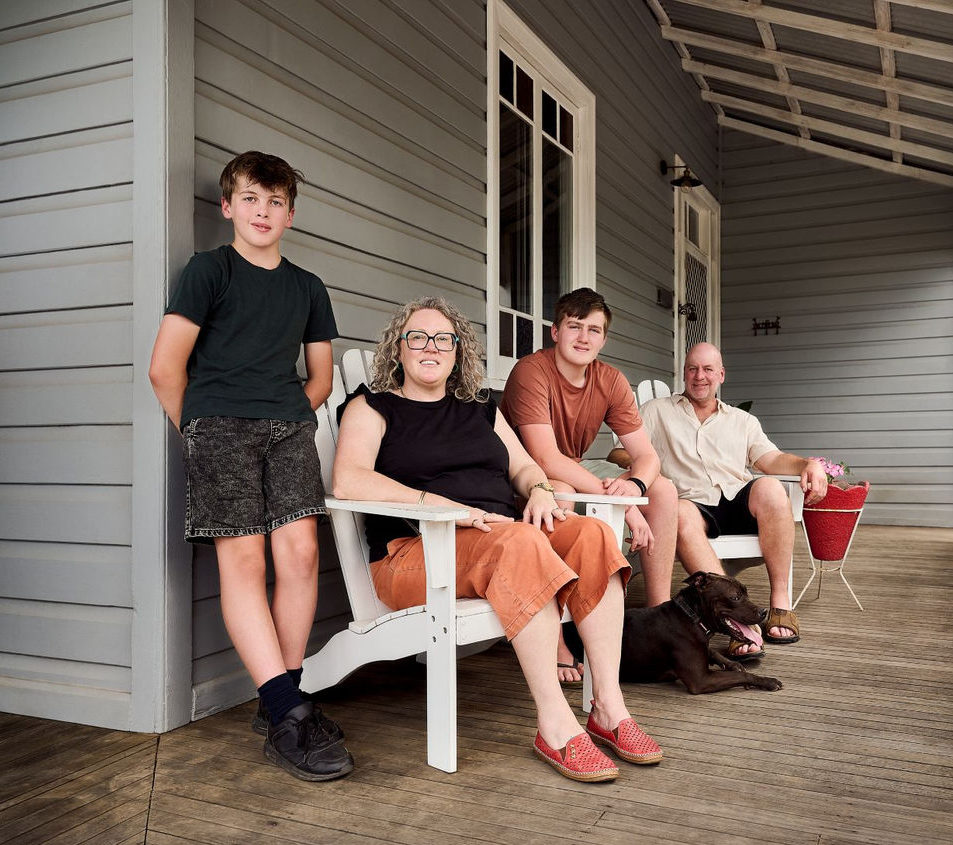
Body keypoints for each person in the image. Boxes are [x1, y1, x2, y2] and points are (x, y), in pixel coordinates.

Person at [331, 296, 662, 782]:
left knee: (590, 533)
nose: (431, 347)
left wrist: (541, 491)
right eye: (418, 337)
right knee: (522, 543)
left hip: (501, 540)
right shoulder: (373, 406)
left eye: (444, 339)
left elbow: (525, 465)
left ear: (458, 350)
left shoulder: (480, 408)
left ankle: (609, 708)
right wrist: (443, 508)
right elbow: (348, 480)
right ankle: (554, 725)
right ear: (396, 349)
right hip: (417, 554)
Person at [148, 151, 351, 781]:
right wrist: (203, 431)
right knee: (245, 561)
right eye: (251, 199)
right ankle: (291, 714)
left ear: (291, 213)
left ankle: (280, 697)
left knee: (300, 556)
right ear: (228, 206)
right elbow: (164, 368)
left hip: (286, 428)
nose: (263, 212)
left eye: (276, 202)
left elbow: (320, 376)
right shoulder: (208, 271)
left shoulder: (307, 287)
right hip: (219, 426)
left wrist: (288, 415)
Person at [500, 288, 679, 681]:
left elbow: (647, 457)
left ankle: (660, 619)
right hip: (523, 475)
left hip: (575, 469)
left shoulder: (610, 379)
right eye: (574, 327)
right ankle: (559, 637)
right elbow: (544, 458)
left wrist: (635, 485)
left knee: (662, 489)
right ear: (555, 332)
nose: (584, 337)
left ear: (604, 338)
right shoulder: (531, 371)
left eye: (594, 330)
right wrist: (627, 508)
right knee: (560, 487)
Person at [618, 342, 829, 656]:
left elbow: (770, 459)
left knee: (771, 487)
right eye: (692, 369)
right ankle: (739, 626)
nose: (699, 376)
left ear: (721, 375)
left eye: (707, 369)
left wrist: (808, 464)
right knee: (682, 513)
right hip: (690, 502)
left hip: (736, 497)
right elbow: (621, 451)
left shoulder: (741, 421)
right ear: (684, 373)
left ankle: (780, 605)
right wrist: (644, 463)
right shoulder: (657, 411)